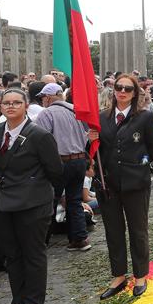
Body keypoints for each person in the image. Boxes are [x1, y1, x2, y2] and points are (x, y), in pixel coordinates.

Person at [0, 88, 63, 304]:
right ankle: (18, 301)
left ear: (26, 105)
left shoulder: (39, 135)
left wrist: (42, 194)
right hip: (2, 203)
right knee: (12, 255)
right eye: (6, 103)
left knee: (33, 253)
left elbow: (55, 171)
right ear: (0, 105)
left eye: (17, 102)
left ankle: (34, 300)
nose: (11, 106)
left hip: (32, 204)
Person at [88, 74, 153, 299]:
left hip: (135, 183)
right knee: (113, 231)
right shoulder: (101, 118)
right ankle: (118, 275)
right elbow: (93, 151)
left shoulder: (145, 118)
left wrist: (141, 166)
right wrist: (90, 140)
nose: (122, 92)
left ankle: (140, 275)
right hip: (108, 184)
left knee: (138, 230)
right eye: (119, 87)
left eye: (128, 89)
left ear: (135, 93)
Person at [33, 82, 92, 251]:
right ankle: (79, 238)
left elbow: (41, 140)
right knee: (74, 199)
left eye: (43, 97)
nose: (42, 100)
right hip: (79, 160)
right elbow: (89, 134)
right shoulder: (76, 110)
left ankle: (42, 240)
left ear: (49, 97)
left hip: (60, 161)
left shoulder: (47, 114)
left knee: (50, 200)